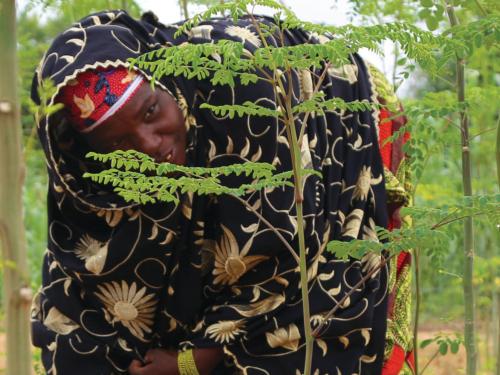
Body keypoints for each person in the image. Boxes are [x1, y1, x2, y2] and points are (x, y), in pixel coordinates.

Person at [31, 9, 407, 375]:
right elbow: (82, 296)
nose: (148, 146)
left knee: (327, 305)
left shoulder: (243, 93)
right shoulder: (86, 177)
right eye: (118, 143)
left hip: (342, 127)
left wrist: (194, 359)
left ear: (166, 84)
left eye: (150, 113)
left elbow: (288, 248)